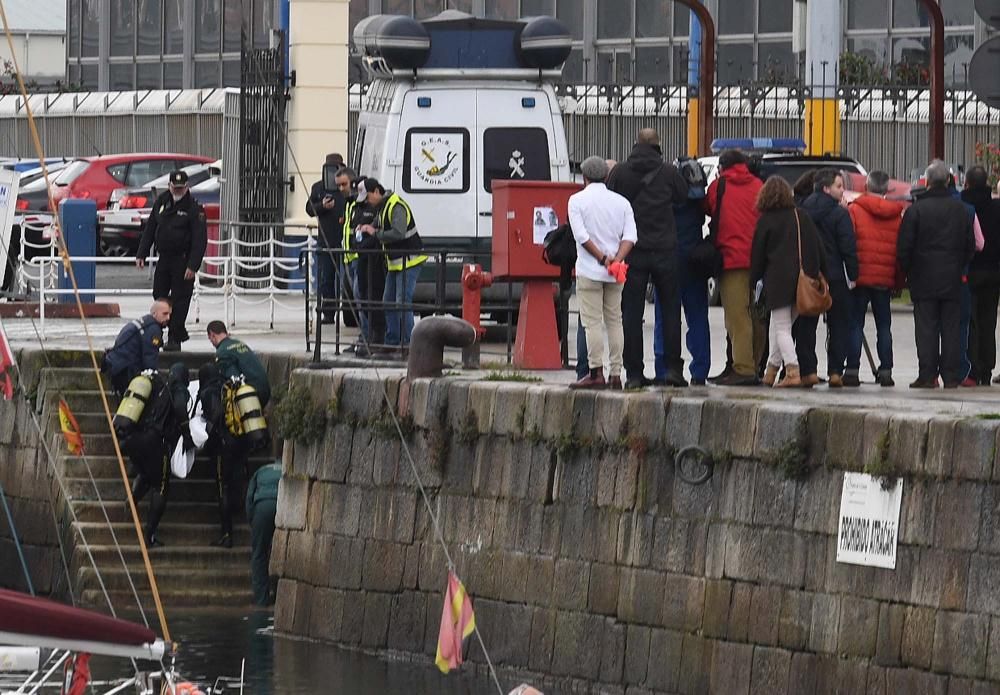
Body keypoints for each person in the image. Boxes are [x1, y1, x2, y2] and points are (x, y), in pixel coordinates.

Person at [606, 128, 689, 388]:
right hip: (665, 249)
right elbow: (683, 196)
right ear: (658, 146)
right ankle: (673, 370)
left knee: (631, 314)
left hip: (632, 250)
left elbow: (610, 201)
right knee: (671, 310)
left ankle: (634, 374)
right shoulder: (668, 172)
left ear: (636, 144)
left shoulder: (619, 172)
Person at [898, 160, 976, 388]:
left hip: (923, 278)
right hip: (952, 278)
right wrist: (958, 265)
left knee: (926, 328)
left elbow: (904, 247)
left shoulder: (916, 210)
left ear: (928, 182)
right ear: (949, 180)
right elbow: (970, 246)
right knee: (951, 328)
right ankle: (951, 376)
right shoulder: (961, 210)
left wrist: (910, 270)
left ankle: (927, 375)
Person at [750, 176, 829, 388]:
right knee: (781, 328)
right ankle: (771, 372)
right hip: (803, 282)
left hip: (778, 282)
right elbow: (818, 248)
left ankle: (793, 371)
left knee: (781, 328)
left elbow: (757, 256)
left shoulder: (765, 221)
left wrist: (754, 280)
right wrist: (819, 275)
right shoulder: (801, 216)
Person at [567, 156, 637, 389]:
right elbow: (630, 237)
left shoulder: (576, 201)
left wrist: (602, 259)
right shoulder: (622, 202)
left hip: (589, 270)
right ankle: (616, 374)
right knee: (615, 321)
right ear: (606, 176)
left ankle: (596, 372)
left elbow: (581, 236)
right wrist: (616, 259)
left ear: (584, 177)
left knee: (592, 323)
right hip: (616, 273)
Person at [704, 149, 765, 386]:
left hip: (731, 260)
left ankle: (743, 368)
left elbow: (708, 209)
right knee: (756, 314)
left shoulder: (719, 187)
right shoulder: (759, 184)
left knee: (737, 317)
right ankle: (754, 363)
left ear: (722, 167)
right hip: (758, 260)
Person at [118, 362, 192, 547]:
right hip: (155, 443)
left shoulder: (156, 388)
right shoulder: (177, 389)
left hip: (132, 441)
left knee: (147, 473)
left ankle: (132, 500)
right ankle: (149, 535)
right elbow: (181, 407)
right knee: (161, 486)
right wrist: (187, 434)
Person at [799, 168, 859, 388]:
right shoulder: (839, 214)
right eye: (839, 186)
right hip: (835, 276)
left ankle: (808, 370)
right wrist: (853, 275)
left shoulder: (802, 210)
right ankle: (835, 371)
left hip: (810, 275)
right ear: (826, 188)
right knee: (839, 325)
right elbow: (848, 247)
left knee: (806, 324)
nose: (843, 191)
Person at [845, 171, 905, 387]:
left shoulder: (854, 209)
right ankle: (886, 370)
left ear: (866, 186)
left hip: (859, 276)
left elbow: (849, 242)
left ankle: (851, 370)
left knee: (855, 324)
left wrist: (850, 274)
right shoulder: (896, 215)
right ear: (887, 189)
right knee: (884, 326)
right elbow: (899, 252)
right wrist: (898, 281)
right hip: (883, 279)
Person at [136, 170, 207, 351]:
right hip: (164, 258)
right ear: (169, 186)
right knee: (159, 295)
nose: (178, 191)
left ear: (186, 187)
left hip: (182, 261)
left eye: (181, 188)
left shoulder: (194, 208)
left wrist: (193, 265)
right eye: (175, 187)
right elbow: (151, 228)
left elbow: (200, 240)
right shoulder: (162, 202)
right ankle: (158, 333)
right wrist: (141, 253)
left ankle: (175, 337)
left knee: (180, 299)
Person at [655, 157, 710, 386]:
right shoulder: (699, 203)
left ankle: (664, 368)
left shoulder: (666, 199)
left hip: (668, 261)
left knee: (665, 318)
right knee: (698, 317)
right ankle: (700, 371)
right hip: (694, 262)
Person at [357, 178, 427, 356]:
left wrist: (375, 232)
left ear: (376, 192)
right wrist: (366, 227)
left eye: (367, 198)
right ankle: (392, 341)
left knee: (402, 301)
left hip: (409, 260)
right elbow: (378, 225)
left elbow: (398, 231)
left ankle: (410, 345)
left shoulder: (396, 206)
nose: (366, 203)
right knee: (388, 301)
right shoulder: (382, 207)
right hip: (396, 262)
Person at [963, 165, 1000, 385]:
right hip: (994, 271)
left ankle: (973, 367)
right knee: (989, 321)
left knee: (971, 321)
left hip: (971, 270)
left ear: (966, 182)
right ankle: (987, 368)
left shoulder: (964, 205)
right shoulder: (996, 207)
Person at [345, 177, 385, 357]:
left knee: (372, 298)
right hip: (356, 257)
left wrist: (366, 235)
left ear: (376, 192)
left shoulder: (380, 207)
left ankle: (377, 338)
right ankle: (369, 336)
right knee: (363, 297)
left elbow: (376, 235)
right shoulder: (355, 206)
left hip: (372, 259)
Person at [306, 153, 347, 325]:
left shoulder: (346, 188)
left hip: (345, 241)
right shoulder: (318, 188)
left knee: (348, 281)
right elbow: (309, 209)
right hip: (325, 239)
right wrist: (321, 206)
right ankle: (329, 313)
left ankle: (351, 314)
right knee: (326, 279)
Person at [101, 299, 171, 395]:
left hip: (116, 365)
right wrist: (155, 379)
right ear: (154, 313)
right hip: (126, 370)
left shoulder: (144, 322)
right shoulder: (153, 329)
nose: (168, 317)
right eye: (165, 314)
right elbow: (149, 358)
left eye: (169, 314)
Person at [206, 320, 271, 407]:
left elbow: (234, 380)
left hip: (251, 394)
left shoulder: (222, 352)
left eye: (210, 338)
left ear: (212, 334)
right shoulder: (239, 343)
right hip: (265, 390)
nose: (211, 341)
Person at [245, 459, 281, 606]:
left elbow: (249, 498)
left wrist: (253, 521)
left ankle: (262, 600)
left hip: (262, 506)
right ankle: (282, 596)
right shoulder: (287, 468)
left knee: (259, 553)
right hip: (282, 503)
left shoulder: (260, 471)